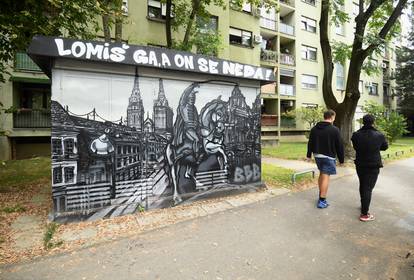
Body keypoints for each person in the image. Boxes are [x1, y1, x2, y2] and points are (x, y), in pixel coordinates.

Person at [351, 114, 388, 222]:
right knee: (368, 188)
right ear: (373, 122)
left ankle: (364, 205)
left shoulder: (356, 135)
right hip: (373, 165)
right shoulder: (379, 135)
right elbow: (385, 147)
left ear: (363, 122)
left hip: (360, 164)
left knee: (363, 185)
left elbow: (356, 146)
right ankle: (364, 214)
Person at [306, 109, 344, 209]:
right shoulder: (334, 129)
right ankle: (322, 200)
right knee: (326, 176)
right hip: (328, 157)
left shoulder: (314, 128)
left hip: (317, 156)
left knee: (322, 174)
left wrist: (309, 155)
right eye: (334, 117)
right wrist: (341, 160)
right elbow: (339, 145)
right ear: (332, 117)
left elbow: (310, 142)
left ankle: (321, 194)